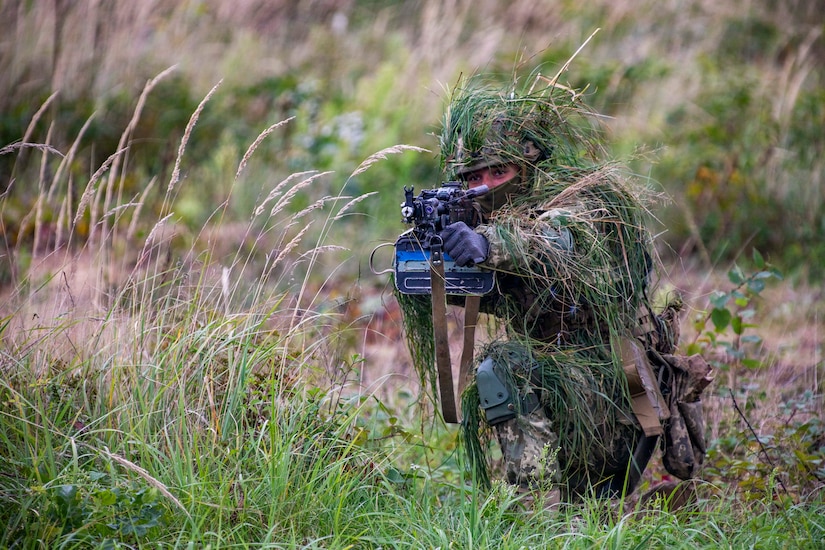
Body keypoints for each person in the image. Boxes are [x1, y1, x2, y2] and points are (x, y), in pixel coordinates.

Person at [399, 75, 712, 501]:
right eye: (473, 178)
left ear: (530, 166)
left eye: (498, 172)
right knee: (588, 505)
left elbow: (553, 244)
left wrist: (488, 244)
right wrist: (432, 266)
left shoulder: (586, 200)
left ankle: (535, 514)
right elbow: (514, 294)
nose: (485, 187)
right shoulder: (498, 219)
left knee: (502, 365)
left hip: (615, 398)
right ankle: (570, 506)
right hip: (568, 397)